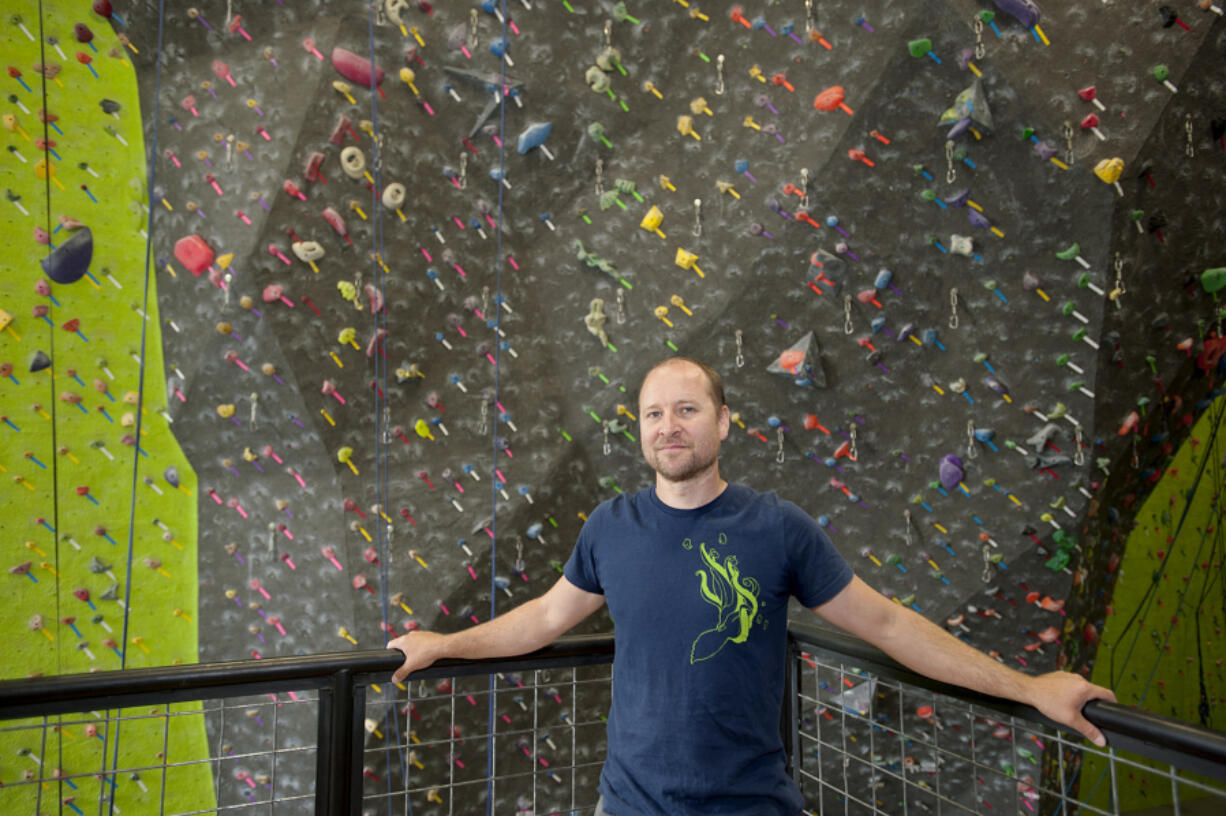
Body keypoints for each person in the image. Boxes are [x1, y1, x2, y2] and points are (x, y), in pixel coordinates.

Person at [389, 356, 1116, 816]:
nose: (668, 426)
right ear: (639, 430)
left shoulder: (778, 528)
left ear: (724, 422)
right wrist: (445, 643)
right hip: (630, 805)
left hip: (749, 803)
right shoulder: (609, 527)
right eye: (652, 413)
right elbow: (546, 617)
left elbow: (888, 626)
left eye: (686, 409)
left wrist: (1027, 688)